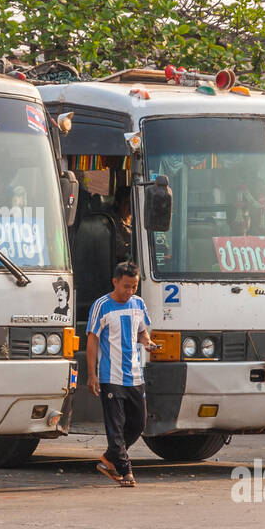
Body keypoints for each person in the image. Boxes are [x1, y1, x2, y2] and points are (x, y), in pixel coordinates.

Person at [86, 261, 159, 487]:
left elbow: (142, 331)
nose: (130, 292)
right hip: (111, 376)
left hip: (135, 376)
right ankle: (125, 471)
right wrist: (92, 374)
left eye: (134, 287)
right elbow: (92, 339)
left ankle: (110, 457)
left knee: (137, 424)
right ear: (115, 282)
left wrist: (147, 342)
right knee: (115, 426)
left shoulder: (138, 304)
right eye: (126, 286)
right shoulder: (102, 305)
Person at [113, 187, 132, 262]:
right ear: (118, 203)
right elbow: (120, 249)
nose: (130, 207)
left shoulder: (136, 222)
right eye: (127, 202)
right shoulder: (112, 224)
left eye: (132, 203)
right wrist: (137, 245)